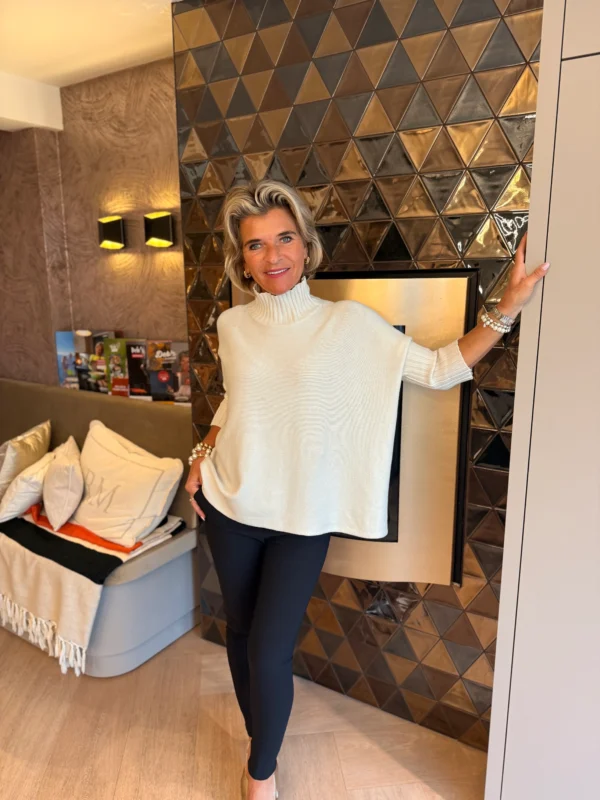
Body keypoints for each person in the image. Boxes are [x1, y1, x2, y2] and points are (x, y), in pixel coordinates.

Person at [185, 180, 549, 800]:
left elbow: (439, 369)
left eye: (284, 238)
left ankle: (260, 774)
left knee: (269, 651)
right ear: (241, 259)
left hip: (303, 519)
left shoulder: (347, 324)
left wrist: (506, 307)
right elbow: (237, 400)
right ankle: (260, 737)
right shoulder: (233, 324)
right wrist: (201, 455)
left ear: (306, 246)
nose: (273, 255)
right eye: (256, 245)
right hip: (230, 504)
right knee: (241, 634)